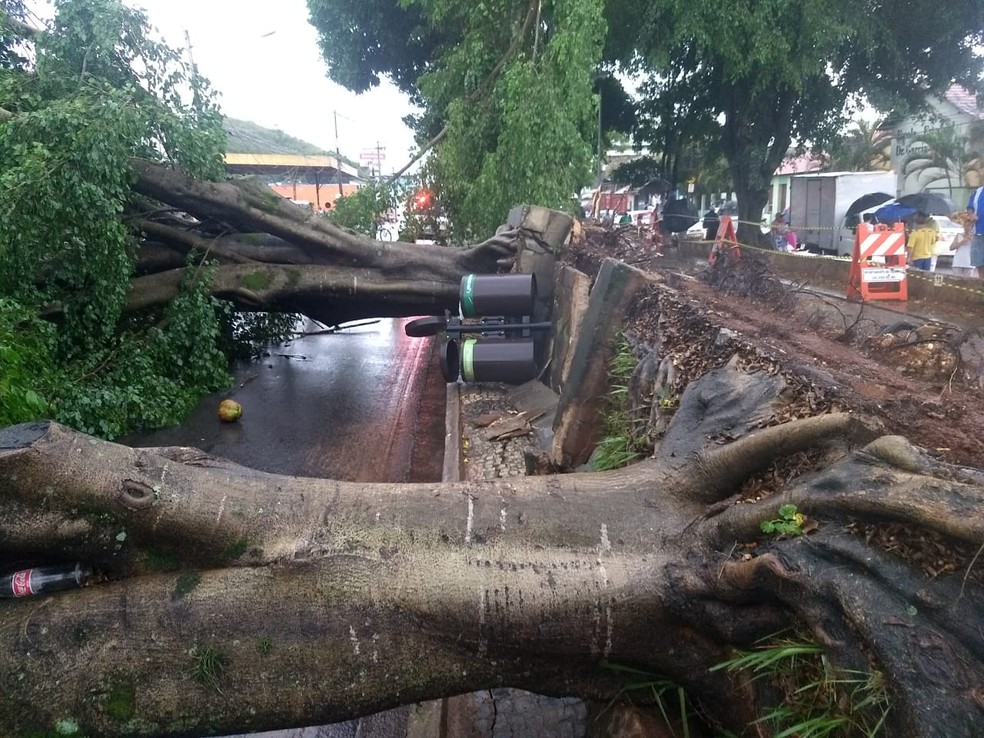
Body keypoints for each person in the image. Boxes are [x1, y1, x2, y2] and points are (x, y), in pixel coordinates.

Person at [967, 185, 984, 279]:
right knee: (979, 262)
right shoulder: (978, 191)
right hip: (978, 232)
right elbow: (970, 206)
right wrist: (971, 214)